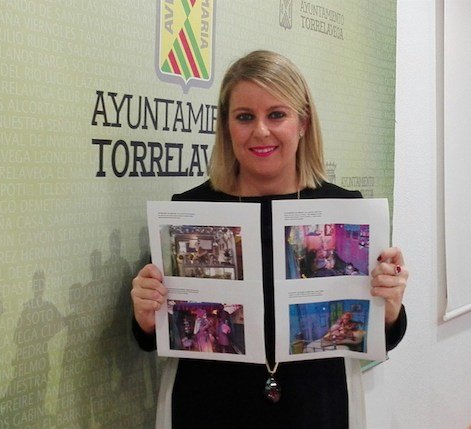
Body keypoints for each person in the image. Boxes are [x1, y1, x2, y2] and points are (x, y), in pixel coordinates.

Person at [131, 50, 408, 428]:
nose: (260, 131)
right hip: (208, 406)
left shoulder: (345, 209)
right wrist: (145, 315)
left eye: (276, 115)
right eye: (245, 116)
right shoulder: (189, 211)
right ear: (226, 126)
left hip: (315, 407)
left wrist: (389, 304)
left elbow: (382, 336)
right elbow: (152, 336)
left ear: (303, 122)